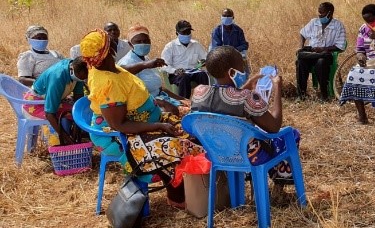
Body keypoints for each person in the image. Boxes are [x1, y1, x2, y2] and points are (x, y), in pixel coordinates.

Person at [81, 29, 200, 208]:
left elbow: (124, 71)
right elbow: (118, 124)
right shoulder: (107, 84)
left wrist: (147, 68)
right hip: (117, 135)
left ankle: (191, 188)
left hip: (144, 121)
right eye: (109, 41)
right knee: (175, 146)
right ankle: (178, 198)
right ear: (109, 50)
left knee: (193, 129)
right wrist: (158, 125)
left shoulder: (108, 67)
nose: (114, 41)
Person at [190, 46, 297, 198]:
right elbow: (274, 126)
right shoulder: (247, 98)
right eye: (242, 68)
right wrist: (277, 88)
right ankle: (278, 190)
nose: (244, 71)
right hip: (247, 156)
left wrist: (248, 84)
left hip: (216, 153)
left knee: (249, 137)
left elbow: (225, 99)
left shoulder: (199, 92)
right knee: (290, 134)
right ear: (232, 72)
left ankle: (257, 190)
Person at [22, 57, 88, 146]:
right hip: (36, 104)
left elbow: (78, 98)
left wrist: (79, 120)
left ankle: (73, 136)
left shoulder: (78, 71)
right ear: (73, 70)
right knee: (63, 116)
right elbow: (49, 113)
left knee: (75, 112)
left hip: (54, 99)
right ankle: (60, 143)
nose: (84, 79)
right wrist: (65, 136)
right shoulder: (58, 78)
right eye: (82, 77)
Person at [296, 1, 347, 100]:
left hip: (327, 55)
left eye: (322, 13)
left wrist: (324, 49)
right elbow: (302, 33)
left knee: (321, 62)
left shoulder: (338, 25)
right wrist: (301, 47)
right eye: (319, 12)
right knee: (300, 61)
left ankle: (324, 94)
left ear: (330, 13)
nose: (319, 15)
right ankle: (301, 94)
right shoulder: (314, 22)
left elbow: (340, 46)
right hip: (312, 53)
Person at [161, 20, 209, 98]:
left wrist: (204, 62)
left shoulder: (196, 44)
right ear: (177, 33)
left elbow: (205, 57)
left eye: (188, 32)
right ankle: (184, 102)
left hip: (193, 71)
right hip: (177, 74)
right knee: (184, 77)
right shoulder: (170, 46)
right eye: (184, 33)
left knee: (203, 75)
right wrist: (175, 71)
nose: (187, 35)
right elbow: (164, 65)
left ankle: (204, 99)